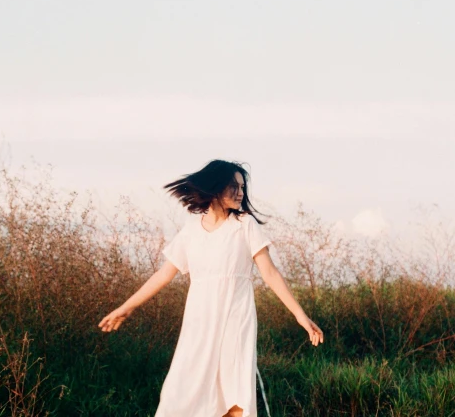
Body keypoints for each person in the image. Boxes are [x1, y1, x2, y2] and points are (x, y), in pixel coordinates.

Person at [98, 160, 324, 417]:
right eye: (233, 186)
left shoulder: (244, 225)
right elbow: (163, 275)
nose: (240, 193)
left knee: (235, 395)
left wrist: (300, 316)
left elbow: (270, 273)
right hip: (198, 325)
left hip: (235, 322)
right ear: (215, 188)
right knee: (179, 394)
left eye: (242, 187)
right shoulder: (191, 230)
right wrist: (127, 307)